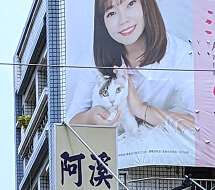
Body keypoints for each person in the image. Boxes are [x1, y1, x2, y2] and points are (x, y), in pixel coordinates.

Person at [67, 0, 195, 157]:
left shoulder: (179, 55)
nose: (123, 19)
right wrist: (90, 117)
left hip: (165, 159)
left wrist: (142, 110)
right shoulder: (96, 57)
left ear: (146, 5)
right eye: (111, 13)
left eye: (130, 4)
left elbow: (202, 125)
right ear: (103, 22)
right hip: (112, 162)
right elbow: (71, 121)